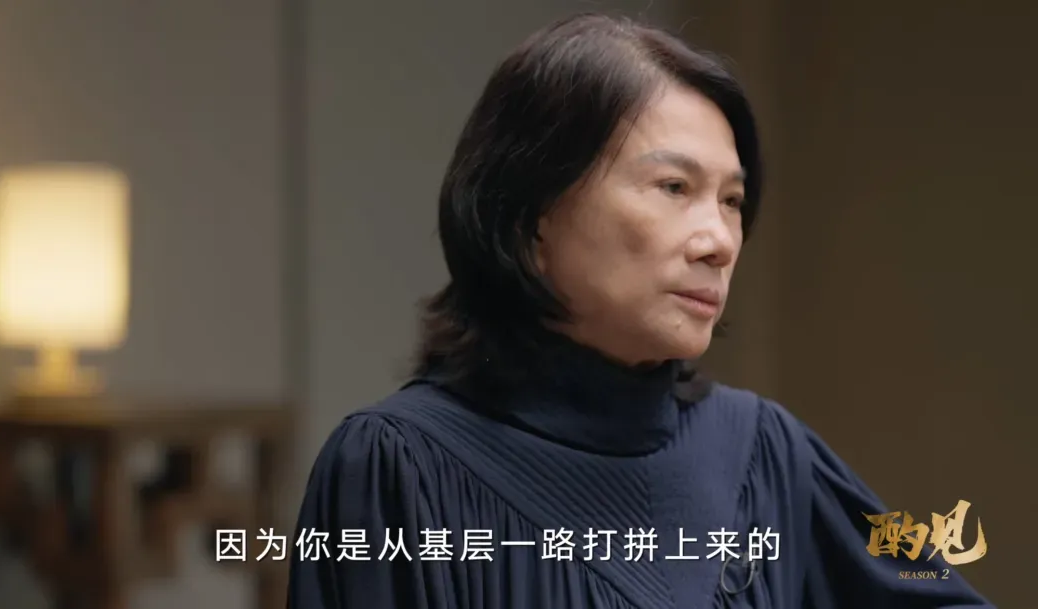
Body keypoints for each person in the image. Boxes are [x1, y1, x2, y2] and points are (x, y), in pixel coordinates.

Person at [287, 13, 993, 609]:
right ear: (532, 219)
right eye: (674, 186)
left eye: (732, 201)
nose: (719, 241)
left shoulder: (767, 453)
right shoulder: (398, 465)